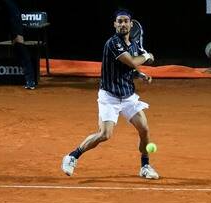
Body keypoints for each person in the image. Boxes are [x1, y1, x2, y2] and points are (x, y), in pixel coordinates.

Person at [60, 9, 159, 179]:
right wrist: (147, 55)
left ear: (131, 24)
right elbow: (133, 61)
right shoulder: (113, 43)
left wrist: (139, 74)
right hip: (110, 97)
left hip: (128, 97)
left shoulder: (134, 45)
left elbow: (129, 68)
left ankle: (145, 166)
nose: (122, 24)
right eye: (119, 21)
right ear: (114, 24)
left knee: (144, 129)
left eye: (125, 21)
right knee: (105, 134)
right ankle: (72, 156)